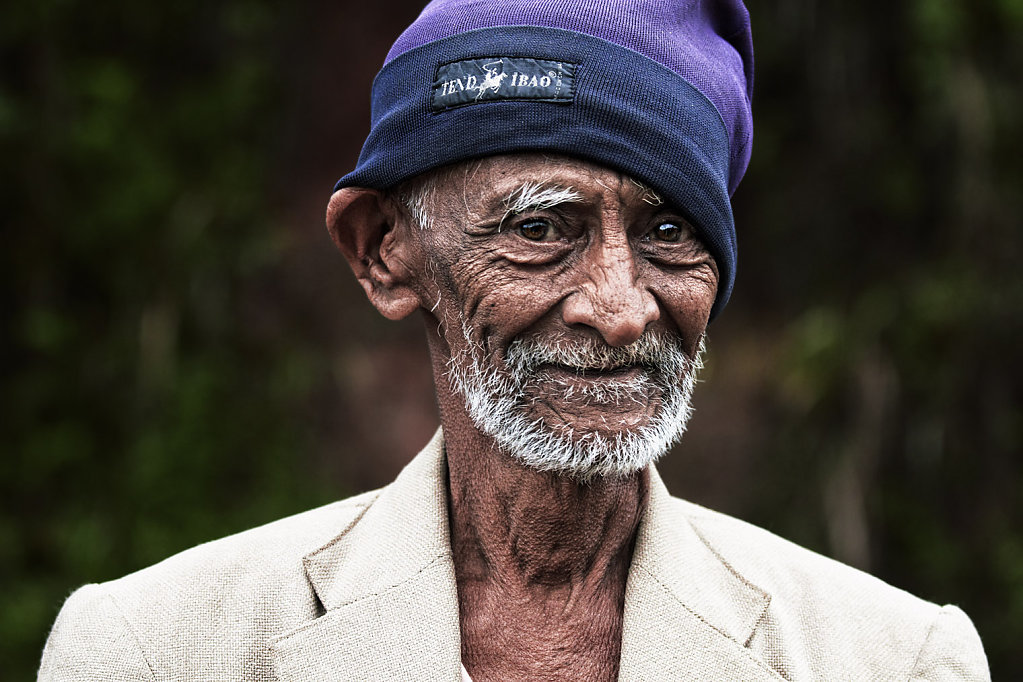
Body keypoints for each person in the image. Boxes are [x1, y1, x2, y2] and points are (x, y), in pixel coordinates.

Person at [39, 0, 989, 680]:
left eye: (669, 232)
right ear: (383, 252)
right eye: (539, 229)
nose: (618, 309)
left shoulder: (891, 659)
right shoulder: (152, 650)